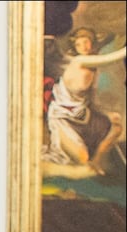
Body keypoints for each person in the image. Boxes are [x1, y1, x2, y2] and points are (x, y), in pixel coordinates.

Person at [43, 27, 127, 178]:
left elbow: (90, 101)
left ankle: (97, 160)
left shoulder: (93, 69)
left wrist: (107, 114)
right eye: (79, 44)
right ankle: (87, 161)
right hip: (63, 118)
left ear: (92, 43)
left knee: (117, 126)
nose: (84, 47)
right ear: (75, 47)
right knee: (81, 159)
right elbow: (109, 58)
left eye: (86, 42)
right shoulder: (79, 61)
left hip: (83, 115)